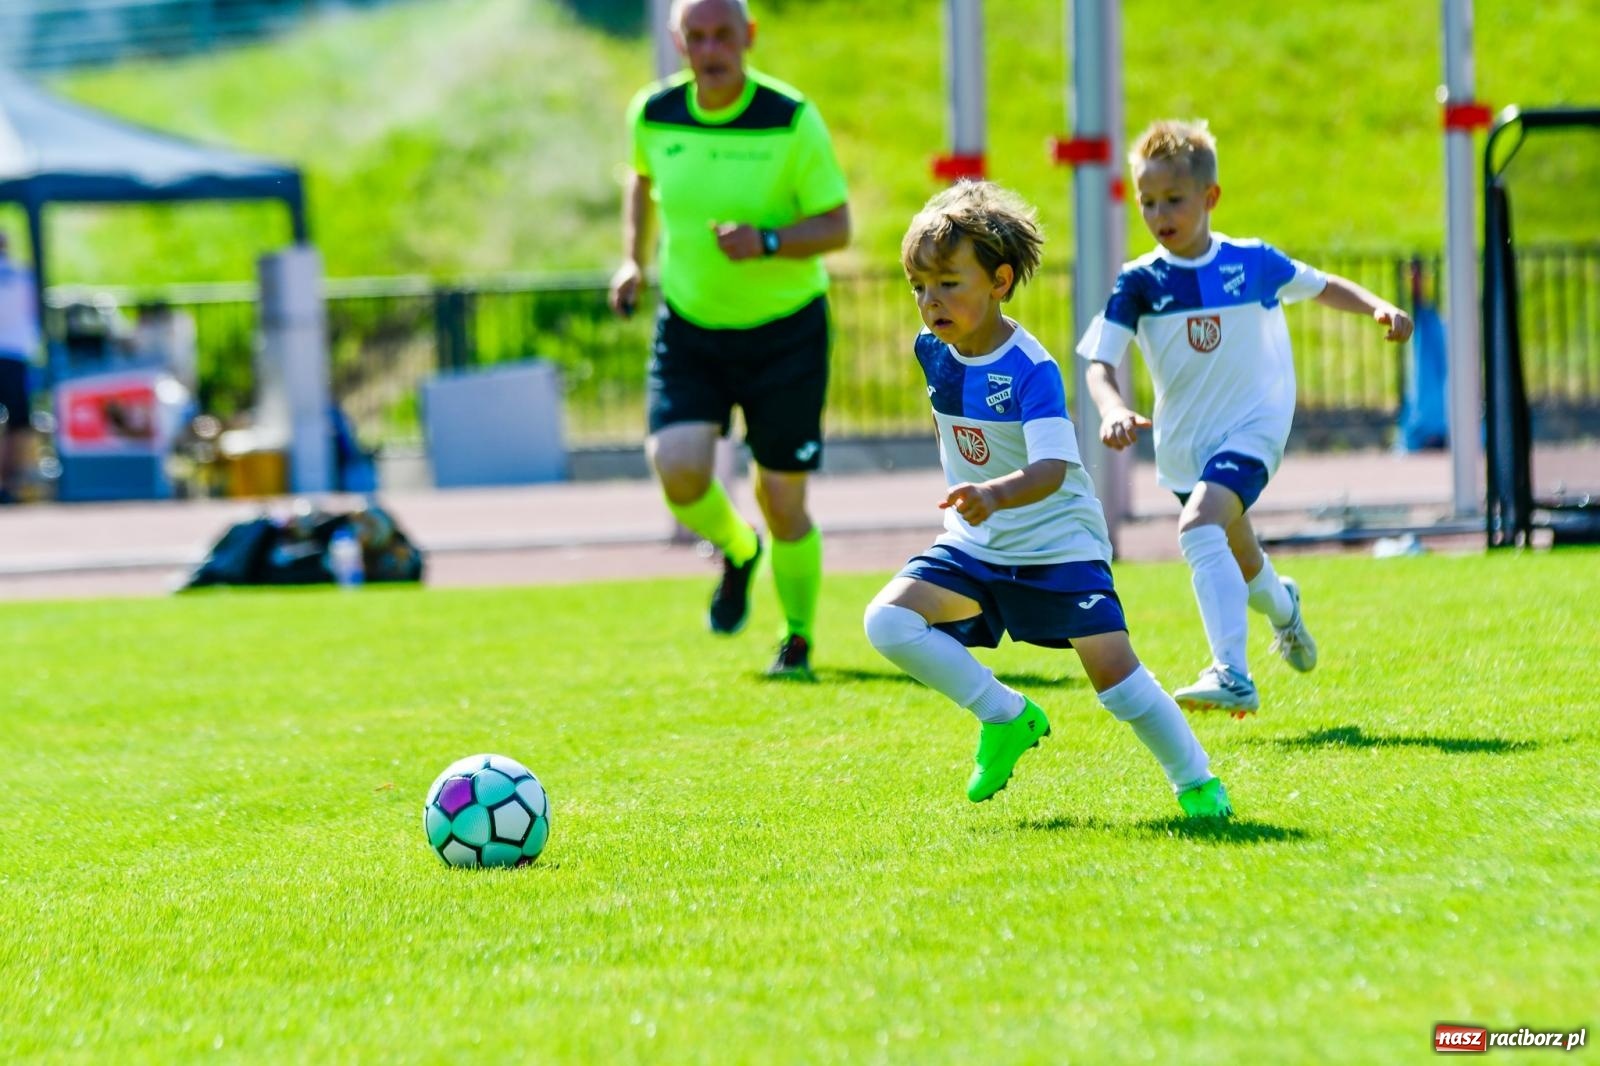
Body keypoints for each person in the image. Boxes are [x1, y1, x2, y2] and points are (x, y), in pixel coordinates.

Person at [863, 180, 1232, 817]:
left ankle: (1197, 783)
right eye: (919, 287)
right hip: (978, 546)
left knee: (1117, 686)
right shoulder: (933, 352)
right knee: (888, 622)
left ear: (1000, 281)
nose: (931, 302)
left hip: (1058, 548)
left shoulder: (1031, 368)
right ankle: (1005, 716)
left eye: (949, 283)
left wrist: (991, 493)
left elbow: (1053, 468)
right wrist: (979, 503)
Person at [1076, 119, 1414, 714]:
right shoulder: (1138, 282)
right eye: (1147, 201)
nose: (1159, 213)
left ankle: (1232, 672)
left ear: (1210, 198)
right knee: (1242, 557)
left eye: (1173, 199)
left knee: (1198, 527)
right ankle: (1285, 608)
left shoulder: (1253, 262)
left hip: (1254, 428)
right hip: (1185, 447)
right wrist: (1112, 409)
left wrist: (1377, 306)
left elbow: (1321, 284)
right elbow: (1099, 364)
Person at [608, 0, 850, 680]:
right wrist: (633, 257)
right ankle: (738, 550)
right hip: (690, 327)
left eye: (723, 35)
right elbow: (641, 178)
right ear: (677, 41)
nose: (710, 48)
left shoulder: (791, 118)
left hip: (787, 332)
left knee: (783, 500)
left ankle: (797, 636)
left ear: (749, 36)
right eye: (696, 35)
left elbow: (837, 225)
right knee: (678, 467)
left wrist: (768, 241)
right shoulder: (653, 113)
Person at [0, 230, 41, 504]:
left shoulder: (22, 275)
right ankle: (10, 481)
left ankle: (9, 480)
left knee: (18, 423)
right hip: (16, 354)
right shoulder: (24, 275)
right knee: (17, 423)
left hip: (14, 353)